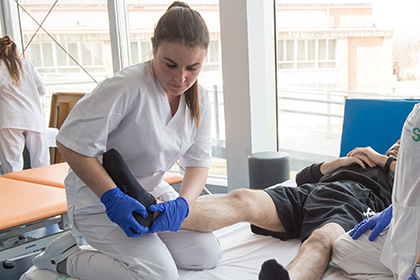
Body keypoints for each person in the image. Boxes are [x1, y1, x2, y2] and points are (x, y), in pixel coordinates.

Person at [32, 2, 221, 280]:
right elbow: (70, 144)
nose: (181, 78)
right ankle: (65, 258)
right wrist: (112, 198)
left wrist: (183, 204)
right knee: (159, 276)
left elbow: (199, 164)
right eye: (170, 64)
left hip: (150, 196)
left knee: (206, 255)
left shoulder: (200, 99)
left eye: (193, 68)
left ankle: (151, 247)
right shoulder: (127, 86)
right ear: (153, 47)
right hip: (98, 202)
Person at [180, 140, 400, 280]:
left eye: (407, 147)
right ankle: (154, 215)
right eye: (399, 141)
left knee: (321, 239)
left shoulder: (407, 178)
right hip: (310, 193)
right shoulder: (362, 159)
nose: (401, 145)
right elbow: (301, 178)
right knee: (243, 198)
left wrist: (385, 160)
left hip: (353, 204)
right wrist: (339, 163)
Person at [331, 104, 420, 280]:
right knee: (343, 250)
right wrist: (394, 210)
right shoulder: (415, 114)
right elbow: (411, 171)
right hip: (403, 219)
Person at [0, 35, 50, 174]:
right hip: (33, 117)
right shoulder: (27, 65)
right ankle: (44, 192)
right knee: (41, 163)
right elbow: (42, 90)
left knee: (12, 165)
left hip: (9, 118)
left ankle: (13, 194)